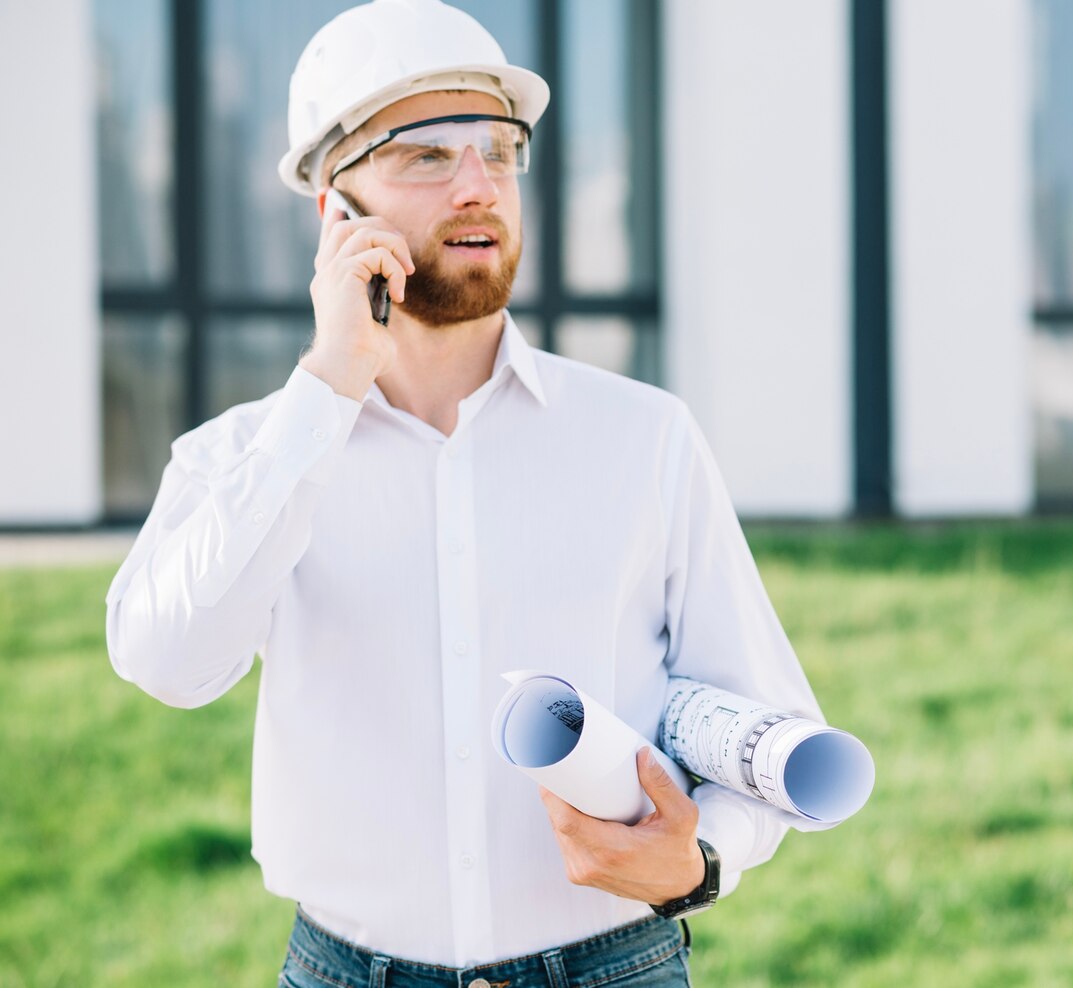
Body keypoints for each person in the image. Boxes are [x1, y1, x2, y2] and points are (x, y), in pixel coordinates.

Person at [102, 1, 829, 984]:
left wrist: (700, 861)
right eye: (426, 156)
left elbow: (762, 711)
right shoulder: (244, 455)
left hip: (617, 964)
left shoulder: (643, 435)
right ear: (336, 215)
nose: (480, 185)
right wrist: (324, 392)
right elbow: (170, 661)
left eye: (498, 148)